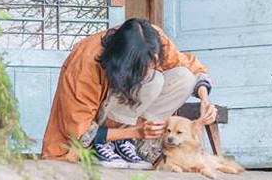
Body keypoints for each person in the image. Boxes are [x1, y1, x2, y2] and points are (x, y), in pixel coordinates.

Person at [41, 18, 216, 168]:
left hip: (133, 125)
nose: (150, 69)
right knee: (152, 79)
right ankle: (106, 145)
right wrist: (136, 131)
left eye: (152, 62)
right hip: (92, 135)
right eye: (141, 66)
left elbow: (190, 66)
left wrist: (204, 100)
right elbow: (79, 131)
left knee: (182, 77)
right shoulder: (84, 63)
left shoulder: (153, 39)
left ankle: (133, 144)